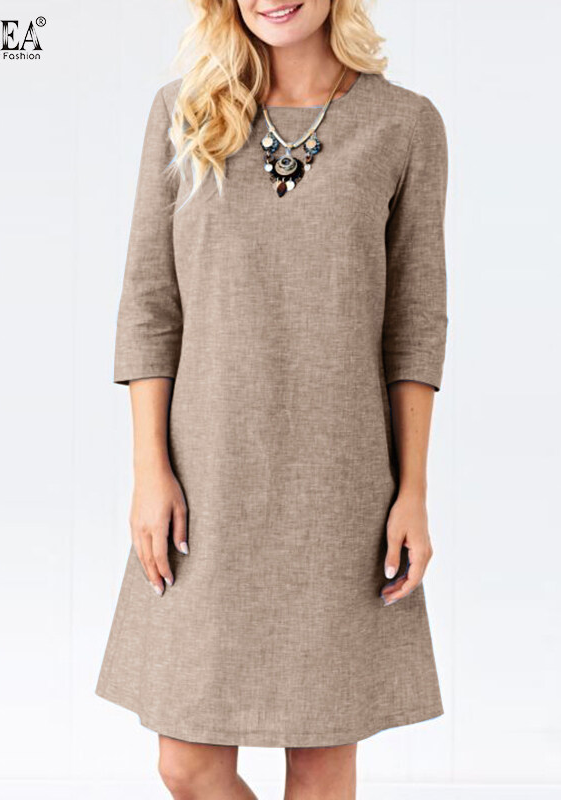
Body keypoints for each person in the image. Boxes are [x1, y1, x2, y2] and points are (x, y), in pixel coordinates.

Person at [95, 1, 449, 797]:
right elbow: (150, 306)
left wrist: (412, 493)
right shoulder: (182, 112)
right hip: (204, 486)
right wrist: (150, 472)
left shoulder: (405, 125)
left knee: (320, 768)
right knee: (186, 762)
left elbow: (415, 327)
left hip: (339, 492)